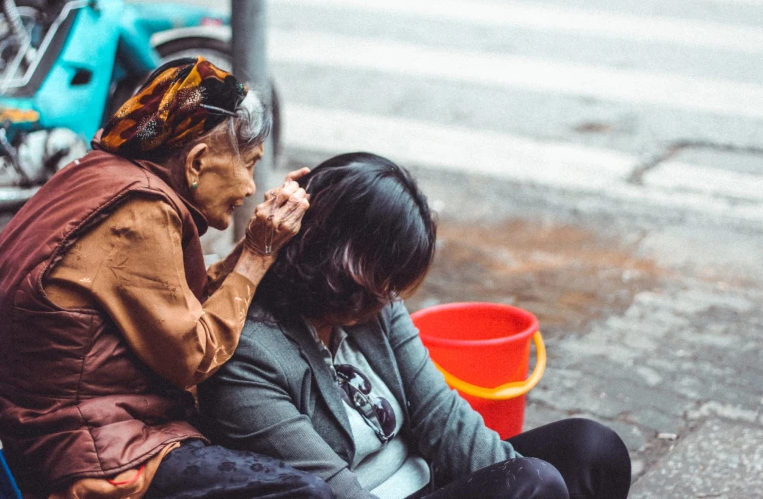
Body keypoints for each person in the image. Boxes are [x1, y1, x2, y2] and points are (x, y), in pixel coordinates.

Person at [0, 57, 332, 499]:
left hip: (60, 427)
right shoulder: (139, 213)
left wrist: (250, 250)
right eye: (249, 164)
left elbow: (174, 304)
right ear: (197, 162)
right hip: (93, 452)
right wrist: (259, 254)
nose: (249, 187)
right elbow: (194, 356)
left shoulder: (100, 174)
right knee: (306, 492)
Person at [198, 152, 633, 499]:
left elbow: (440, 416)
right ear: (333, 265)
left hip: (436, 482)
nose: (388, 299)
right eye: (377, 283)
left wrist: (508, 477)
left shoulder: (373, 301)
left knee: (592, 449)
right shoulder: (250, 354)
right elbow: (330, 488)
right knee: (532, 483)